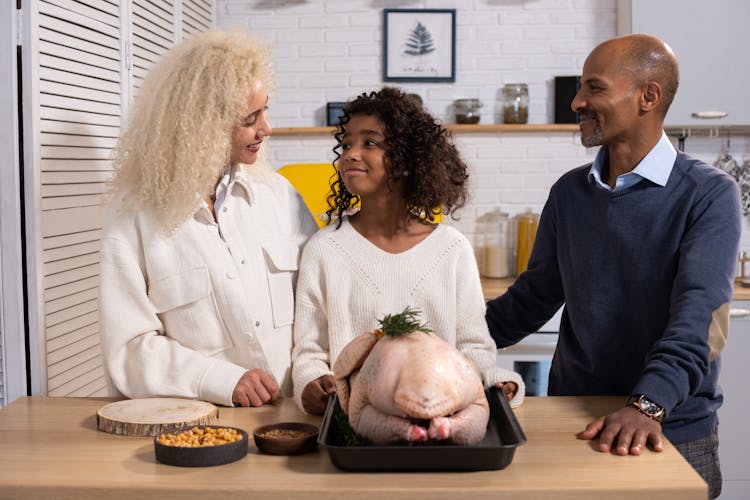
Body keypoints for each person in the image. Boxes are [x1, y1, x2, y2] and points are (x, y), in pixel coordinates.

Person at [486, 34, 740, 498]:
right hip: (575, 422)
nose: (578, 102)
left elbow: (698, 319)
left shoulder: (707, 193)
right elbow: (531, 299)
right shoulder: (569, 192)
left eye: (594, 88)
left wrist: (647, 405)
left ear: (648, 96)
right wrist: (444, 344)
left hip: (670, 429)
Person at [99, 29, 317, 408]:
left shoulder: (280, 196)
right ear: (205, 124)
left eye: (265, 110)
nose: (266, 128)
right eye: (251, 117)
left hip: (296, 422)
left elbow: (320, 306)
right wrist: (219, 380)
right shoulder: (132, 219)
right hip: (200, 426)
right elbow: (129, 347)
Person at [292, 87, 525, 416]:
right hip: (353, 421)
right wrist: (312, 382)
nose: (350, 154)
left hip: (438, 416)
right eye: (346, 144)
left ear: (406, 158)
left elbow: (474, 348)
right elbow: (309, 351)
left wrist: (494, 381)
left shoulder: (452, 249)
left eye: (369, 143)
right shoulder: (324, 250)